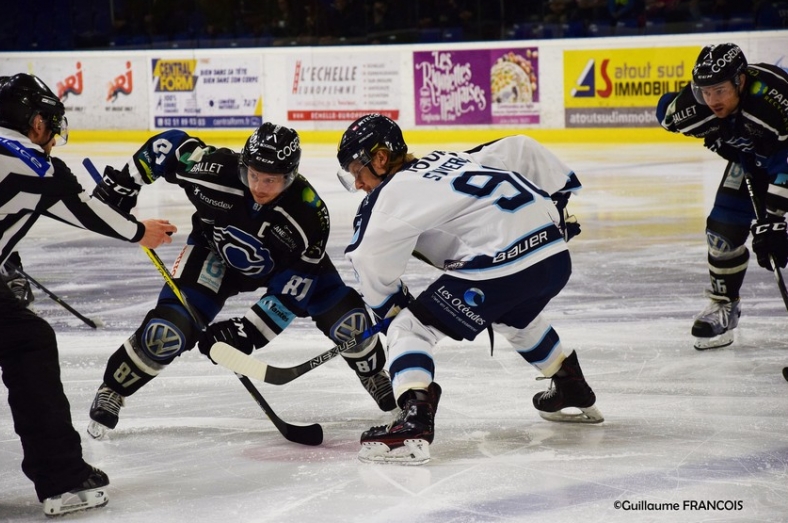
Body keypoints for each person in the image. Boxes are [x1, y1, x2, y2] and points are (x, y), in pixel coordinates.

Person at [87, 123, 396, 441]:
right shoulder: (214, 171)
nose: (260, 187)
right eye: (254, 175)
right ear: (244, 165)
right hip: (214, 255)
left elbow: (291, 292)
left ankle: (373, 373)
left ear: (290, 176)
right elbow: (169, 145)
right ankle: (114, 389)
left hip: (286, 268)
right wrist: (126, 183)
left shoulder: (309, 214)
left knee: (350, 323)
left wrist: (245, 334)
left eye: (271, 179)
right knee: (167, 331)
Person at [334, 114, 603, 464]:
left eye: (357, 170)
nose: (357, 183)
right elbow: (520, 148)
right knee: (510, 316)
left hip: (502, 264)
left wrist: (390, 310)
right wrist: (559, 200)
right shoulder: (451, 158)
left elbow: (367, 257)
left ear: (381, 158)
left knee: (409, 328)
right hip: (553, 255)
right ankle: (571, 386)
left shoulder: (389, 194)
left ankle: (414, 418)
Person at [0, 73, 178, 516]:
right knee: (28, 342)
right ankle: (63, 480)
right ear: (35, 123)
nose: (52, 134)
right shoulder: (30, 160)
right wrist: (140, 231)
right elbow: (83, 210)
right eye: (50, 123)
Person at [657, 43, 788, 350]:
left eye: (719, 91)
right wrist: (719, 138)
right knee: (722, 232)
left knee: (776, 234)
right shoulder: (697, 106)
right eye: (705, 92)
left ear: (740, 81)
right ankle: (724, 305)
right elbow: (665, 112)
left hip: (783, 156)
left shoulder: (772, 103)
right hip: (753, 160)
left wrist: (774, 220)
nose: (711, 100)